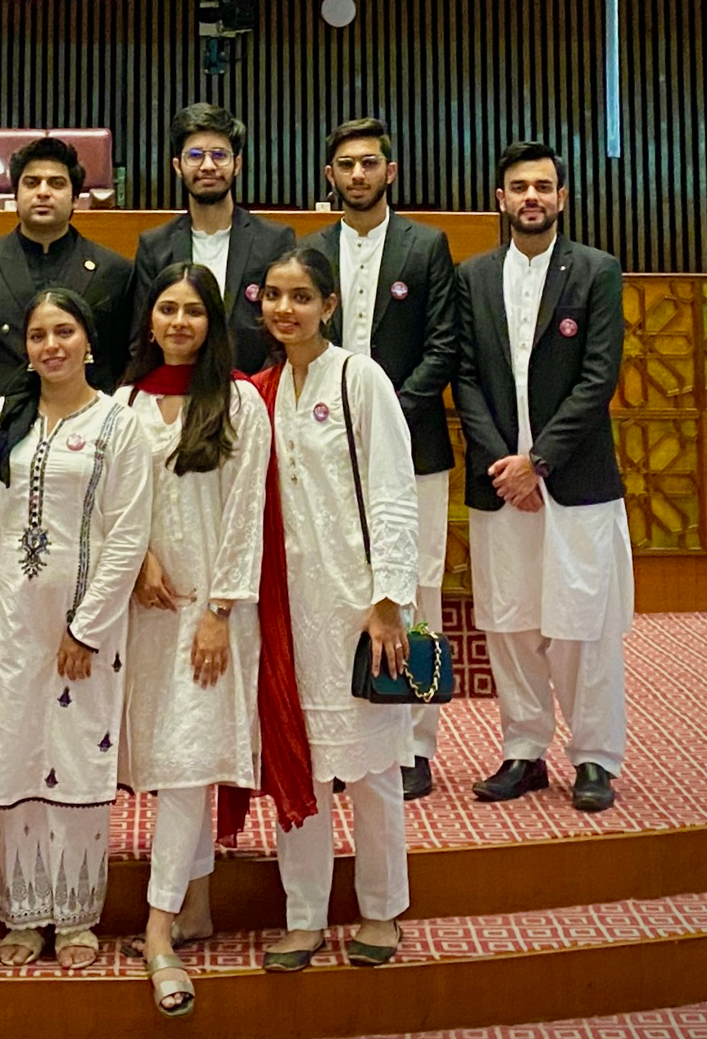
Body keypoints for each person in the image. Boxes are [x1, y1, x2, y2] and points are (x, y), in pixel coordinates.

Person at [454, 140, 632, 817]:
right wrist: (507, 464)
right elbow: (464, 376)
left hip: (575, 480)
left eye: (544, 186)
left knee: (583, 625)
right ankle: (524, 751)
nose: (531, 196)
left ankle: (594, 757)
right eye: (519, 186)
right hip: (500, 482)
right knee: (511, 623)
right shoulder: (472, 276)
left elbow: (598, 377)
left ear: (561, 198)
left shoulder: (595, 271)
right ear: (499, 200)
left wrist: (540, 461)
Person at [0, 287, 152, 968]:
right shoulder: (6, 420)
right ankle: (23, 912)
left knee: (79, 757)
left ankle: (78, 917)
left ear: (88, 342)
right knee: (13, 753)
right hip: (15, 620)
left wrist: (87, 626)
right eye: (38, 333)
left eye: (64, 331)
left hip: (88, 628)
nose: (51, 344)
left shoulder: (118, 423)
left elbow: (129, 533)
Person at [256, 245, 418, 972]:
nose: (285, 309)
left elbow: (391, 491)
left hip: (358, 606)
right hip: (287, 611)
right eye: (274, 296)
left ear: (328, 304)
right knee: (303, 762)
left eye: (301, 296)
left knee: (378, 765)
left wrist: (390, 601)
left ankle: (382, 910)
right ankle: (305, 916)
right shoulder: (261, 389)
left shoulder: (360, 377)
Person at [119, 263, 271, 1019]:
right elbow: (114, 502)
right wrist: (139, 557)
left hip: (213, 613)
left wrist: (219, 608)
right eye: (167, 309)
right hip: (145, 609)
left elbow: (247, 515)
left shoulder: (240, 401)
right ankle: (198, 903)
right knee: (174, 757)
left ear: (214, 322)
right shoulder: (127, 404)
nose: (179, 322)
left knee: (185, 759)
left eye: (194, 311)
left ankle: (157, 931)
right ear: (150, 320)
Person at [315, 116, 460, 801]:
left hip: (413, 442)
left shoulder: (426, 246)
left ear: (389, 172)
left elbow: (444, 344)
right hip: (330, 447)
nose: (358, 175)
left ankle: (413, 746)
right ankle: (348, 734)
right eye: (346, 165)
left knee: (415, 582)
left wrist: (389, 414)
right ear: (331, 177)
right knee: (344, 582)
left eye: (370, 163)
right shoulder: (310, 249)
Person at [129, 103, 296, 375]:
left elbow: (286, 331)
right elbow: (141, 338)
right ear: (178, 166)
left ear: (237, 164)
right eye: (195, 155)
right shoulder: (154, 246)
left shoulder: (275, 240)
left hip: (260, 390)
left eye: (219, 155)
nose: (208, 166)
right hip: (177, 394)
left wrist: (256, 390)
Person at [0, 136, 132, 393]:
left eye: (56, 184)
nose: (43, 192)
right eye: (32, 183)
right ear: (15, 194)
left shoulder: (115, 270)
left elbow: (120, 359)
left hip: (86, 417)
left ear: (75, 198)